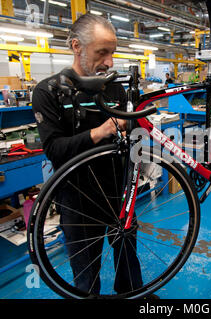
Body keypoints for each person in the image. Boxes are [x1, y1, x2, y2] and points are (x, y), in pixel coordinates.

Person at [32, 13, 143, 295]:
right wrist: (101, 131)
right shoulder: (50, 92)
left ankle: (132, 295)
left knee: (128, 261)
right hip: (77, 199)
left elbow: (134, 137)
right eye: (101, 52)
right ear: (76, 46)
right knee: (86, 279)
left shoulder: (115, 88)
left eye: (113, 53)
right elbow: (54, 150)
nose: (109, 62)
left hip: (118, 191)